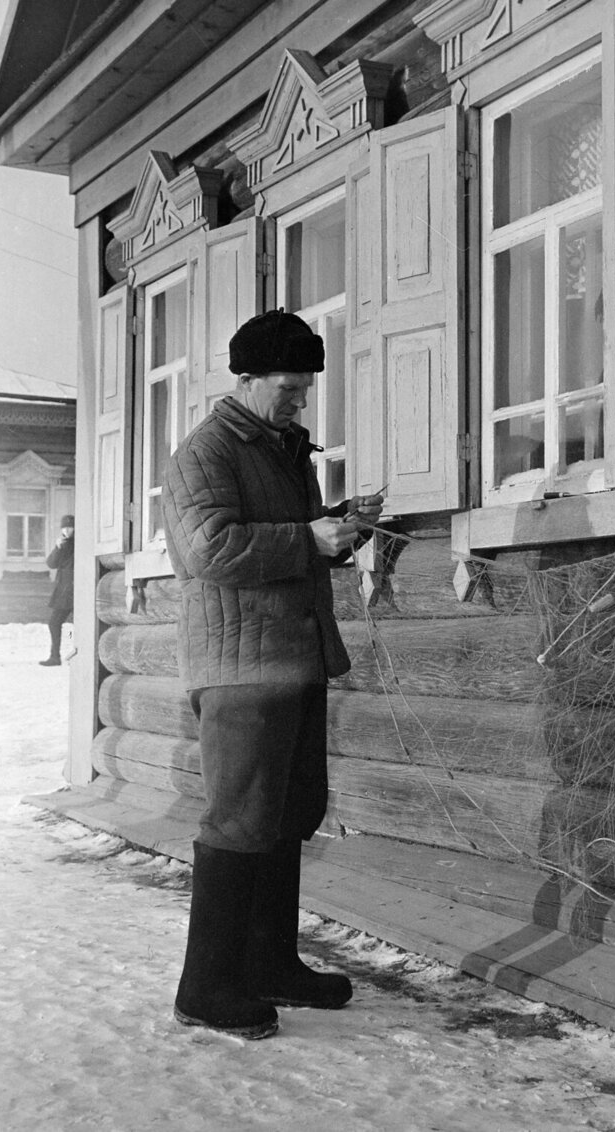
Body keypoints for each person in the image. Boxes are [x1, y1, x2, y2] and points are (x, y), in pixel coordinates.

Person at [162, 309, 383, 1039]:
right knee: (239, 819)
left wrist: (340, 527)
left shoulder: (285, 450)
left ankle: (269, 964)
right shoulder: (206, 452)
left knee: (289, 813)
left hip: (294, 659)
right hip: (240, 668)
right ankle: (206, 987)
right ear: (248, 379)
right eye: (289, 388)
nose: (300, 401)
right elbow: (209, 551)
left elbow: (297, 542)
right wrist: (307, 537)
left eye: (305, 389)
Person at [39, 514, 75, 666]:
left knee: (78, 625)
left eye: (70, 527)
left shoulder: (76, 544)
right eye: (64, 528)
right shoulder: (64, 544)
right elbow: (51, 563)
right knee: (54, 622)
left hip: (74, 589)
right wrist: (58, 547)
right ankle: (54, 657)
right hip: (64, 591)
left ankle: (74, 656)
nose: (67, 531)